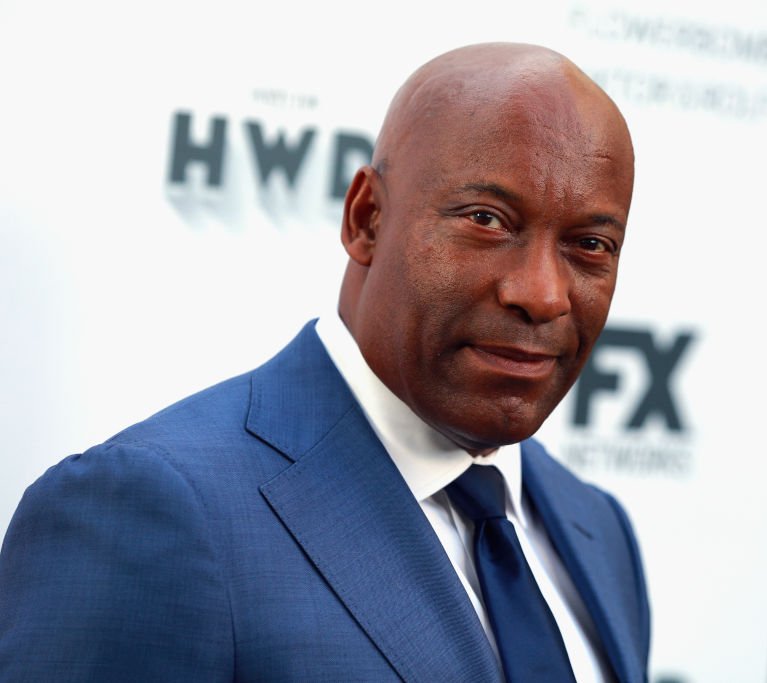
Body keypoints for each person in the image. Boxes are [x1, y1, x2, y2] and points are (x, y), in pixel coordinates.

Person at [0, 43, 649, 682]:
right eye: (486, 218)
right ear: (366, 217)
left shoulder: (596, 529)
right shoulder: (155, 511)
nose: (541, 294)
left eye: (590, 244)